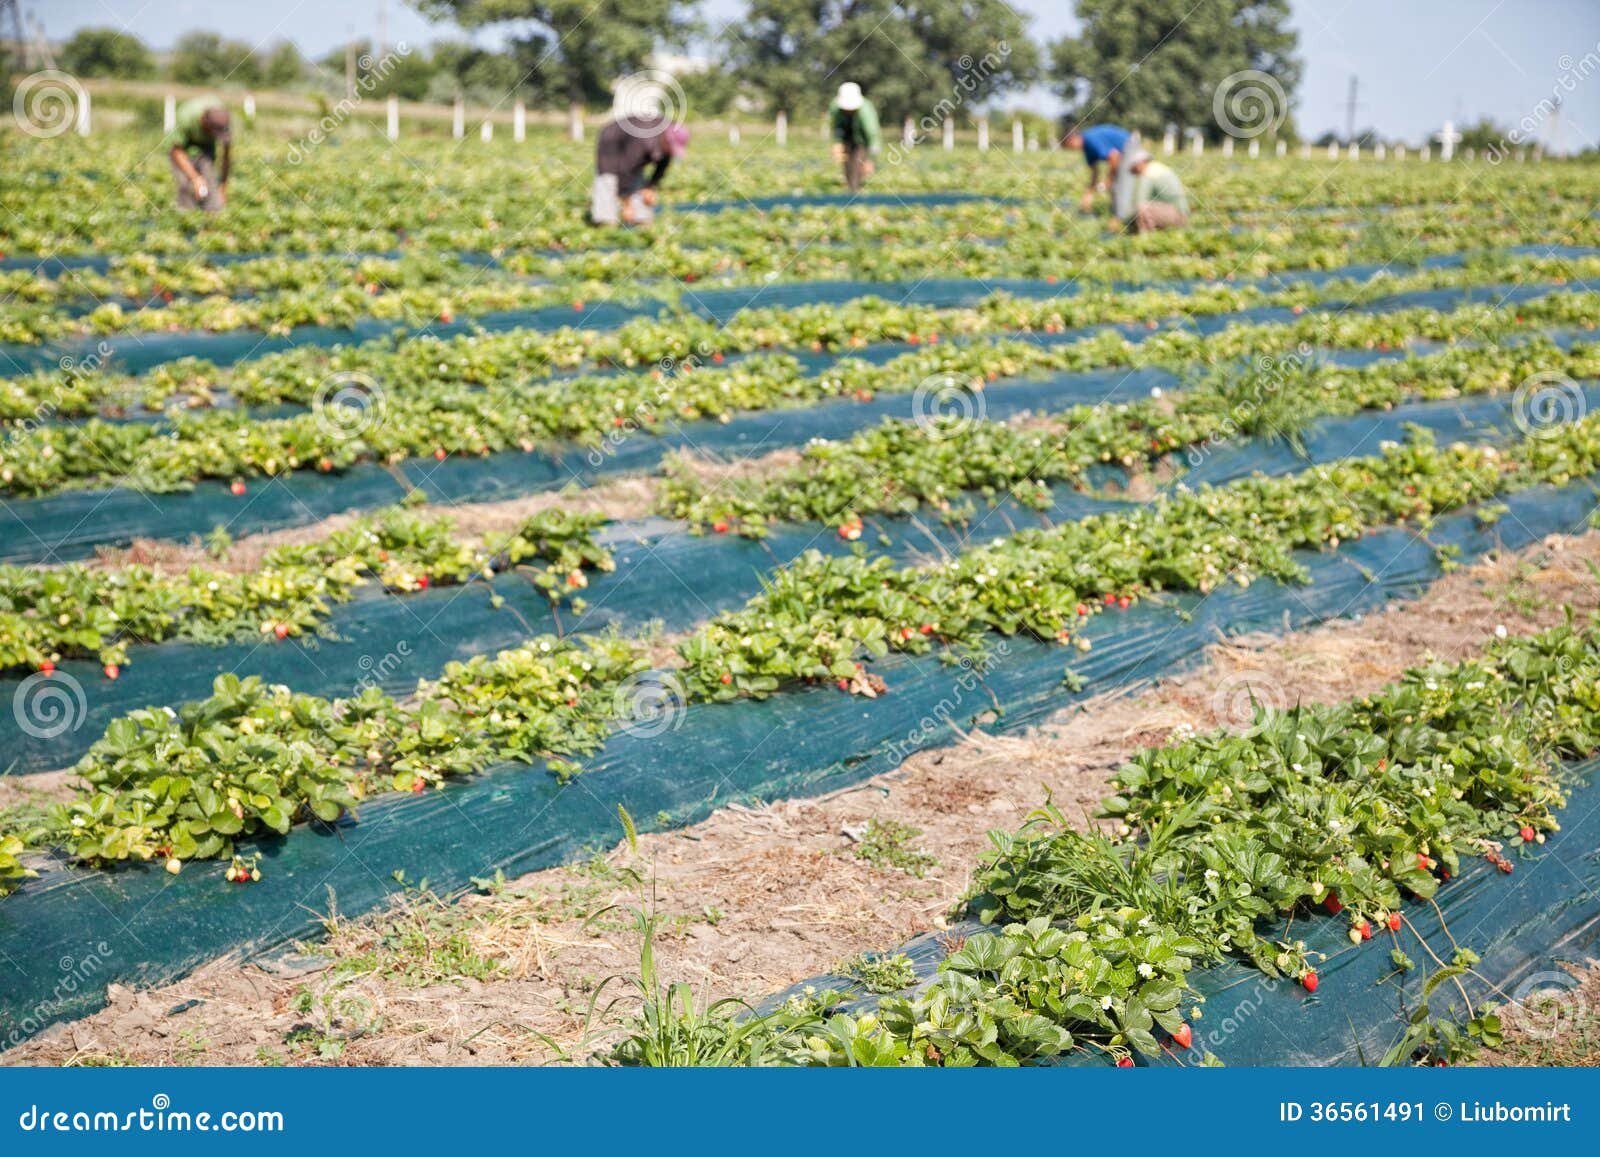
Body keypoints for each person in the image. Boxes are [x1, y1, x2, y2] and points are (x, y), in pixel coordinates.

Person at [591, 115, 689, 227]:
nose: (671, 151)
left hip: (633, 145)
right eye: (671, 147)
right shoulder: (644, 140)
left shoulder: (671, 131)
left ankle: (640, 220)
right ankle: (606, 222)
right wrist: (626, 203)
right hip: (611, 141)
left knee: (637, 178)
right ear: (666, 139)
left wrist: (650, 186)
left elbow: (663, 164)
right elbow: (625, 170)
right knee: (607, 178)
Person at [166, 97, 231, 212]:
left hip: (206, 147)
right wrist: (195, 178)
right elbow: (176, 151)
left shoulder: (223, 119)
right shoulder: (186, 117)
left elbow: (226, 156)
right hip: (183, 147)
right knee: (185, 184)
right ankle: (186, 215)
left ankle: (212, 215)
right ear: (204, 122)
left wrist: (223, 186)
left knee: (210, 184)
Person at [1063, 122, 1130, 214]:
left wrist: (1107, 181)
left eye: (1069, 146)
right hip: (1121, 155)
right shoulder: (1086, 148)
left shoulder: (1090, 139)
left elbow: (1114, 156)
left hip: (1130, 148)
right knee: (1114, 186)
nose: (1071, 149)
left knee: (1120, 185)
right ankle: (1116, 212)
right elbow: (1095, 173)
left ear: (1073, 139)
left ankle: (1123, 215)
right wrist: (1088, 194)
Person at [830, 82, 882, 193]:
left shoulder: (866, 112)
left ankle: (856, 190)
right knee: (847, 165)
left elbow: (873, 136)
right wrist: (837, 143)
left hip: (862, 140)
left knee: (859, 165)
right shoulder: (835, 107)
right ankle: (851, 189)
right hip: (846, 138)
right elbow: (836, 127)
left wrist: (871, 159)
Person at [1125, 150, 1190, 233]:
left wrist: (1123, 220)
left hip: (1176, 215)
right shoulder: (1158, 168)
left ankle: (1146, 238)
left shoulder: (1149, 173)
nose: (1134, 172)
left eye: (1134, 167)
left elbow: (1140, 200)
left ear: (1140, 163)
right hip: (1180, 213)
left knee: (1142, 208)